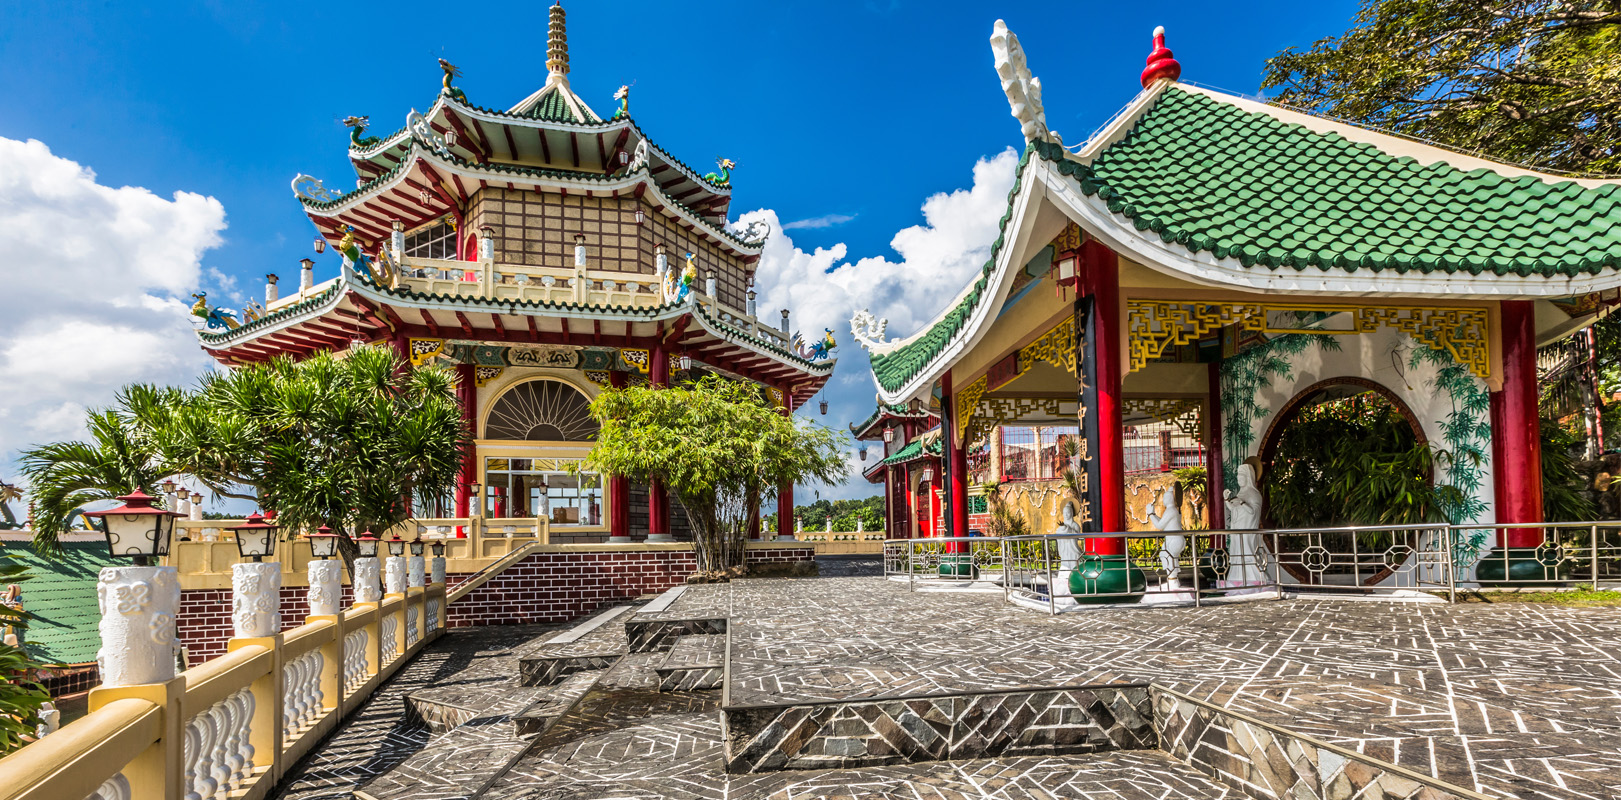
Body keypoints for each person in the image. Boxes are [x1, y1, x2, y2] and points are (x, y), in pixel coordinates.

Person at [1223, 463, 1267, 587]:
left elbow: (1253, 512)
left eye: (1241, 476)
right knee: (1237, 553)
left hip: (1248, 530)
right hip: (1237, 529)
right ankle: (1236, 578)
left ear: (1248, 477)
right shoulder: (1241, 493)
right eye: (1238, 476)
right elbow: (1233, 509)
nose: (1238, 479)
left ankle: (1254, 578)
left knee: (1248, 551)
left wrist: (1242, 503)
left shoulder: (1254, 494)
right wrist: (1226, 500)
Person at [1051, 501, 1083, 598]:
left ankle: (1076, 580)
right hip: (1065, 549)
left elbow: (1076, 534)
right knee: (1065, 564)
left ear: (1072, 513)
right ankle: (1064, 577)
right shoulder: (1062, 525)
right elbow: (1058, 533)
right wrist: (1063, 528)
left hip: (1072, 549)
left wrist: (1067, 528)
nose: (1066, 515)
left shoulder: (1075, 525)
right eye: (1065, 513)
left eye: (1068, 513)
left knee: (1074, 564)